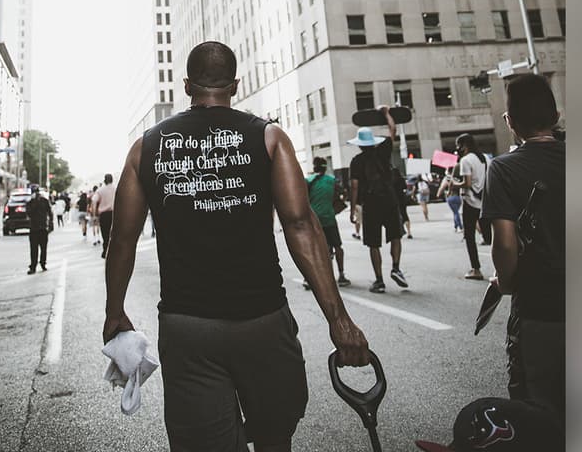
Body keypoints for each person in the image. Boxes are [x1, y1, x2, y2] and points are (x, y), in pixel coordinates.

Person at [104, 41, 370, 452]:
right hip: (263, 321)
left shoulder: (146, 148)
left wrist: (114, 311)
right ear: (235, 85)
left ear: (187, 85)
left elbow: (122, 239)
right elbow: (300, 225)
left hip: (187, 329)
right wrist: (339, 319)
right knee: (274, 437)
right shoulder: (269, 138)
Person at [481, 74, 565, 422]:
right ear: (556, 116)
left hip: (539, 306)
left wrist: (505, 281)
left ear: (510, 121)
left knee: (538, 413)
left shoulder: (503, 169)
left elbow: (504, 243)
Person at [349, 107, 408, 293]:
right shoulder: (383, 151)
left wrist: (353, 209)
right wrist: (386, 113)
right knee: (396, 235)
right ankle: (396, 268)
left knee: (373, 243)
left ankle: (379, 281)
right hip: (389, 199)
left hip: (371, 203)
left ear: (359, 144)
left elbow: (354, 187)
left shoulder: (356, 161)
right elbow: (393, 129)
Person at [303, 157, 350, 290]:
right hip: (329, 218)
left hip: (313, 221)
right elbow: (344, 193)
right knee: (338, 246)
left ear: (314, 168)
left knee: (313, 249)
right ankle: (341, 275)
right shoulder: (332, 181)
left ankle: (309, 278)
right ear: (325, 168)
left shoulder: (308, 181)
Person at [456, 133, 489, 281]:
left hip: (470, 202)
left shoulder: (465, 160)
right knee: (489, 236)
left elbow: (467, 183)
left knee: (469, 236)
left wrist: (454, 184)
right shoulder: (485, 158)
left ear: (464, 145)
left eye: (459, 145)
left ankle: (476, 269)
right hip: (485, 201)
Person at [25, 185, 54, 273]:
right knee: (35, 249)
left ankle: (42, 263)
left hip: (41, 228)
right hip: (35, 228)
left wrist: (50, 224)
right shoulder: (31, 202)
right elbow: (29, 213)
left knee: (42, 248)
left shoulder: (43, 201)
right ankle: (34, 266)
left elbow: (50, 212)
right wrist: (34, 202)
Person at [93, 173, 117, 259]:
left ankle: (106, 250)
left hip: (104, 215)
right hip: (115, 214)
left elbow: (94, 201)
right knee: (114, 233)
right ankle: (114, 251)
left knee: (105, 233)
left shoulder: (100, 190)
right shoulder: (116, 189)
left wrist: (94, 215)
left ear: (104, 180)